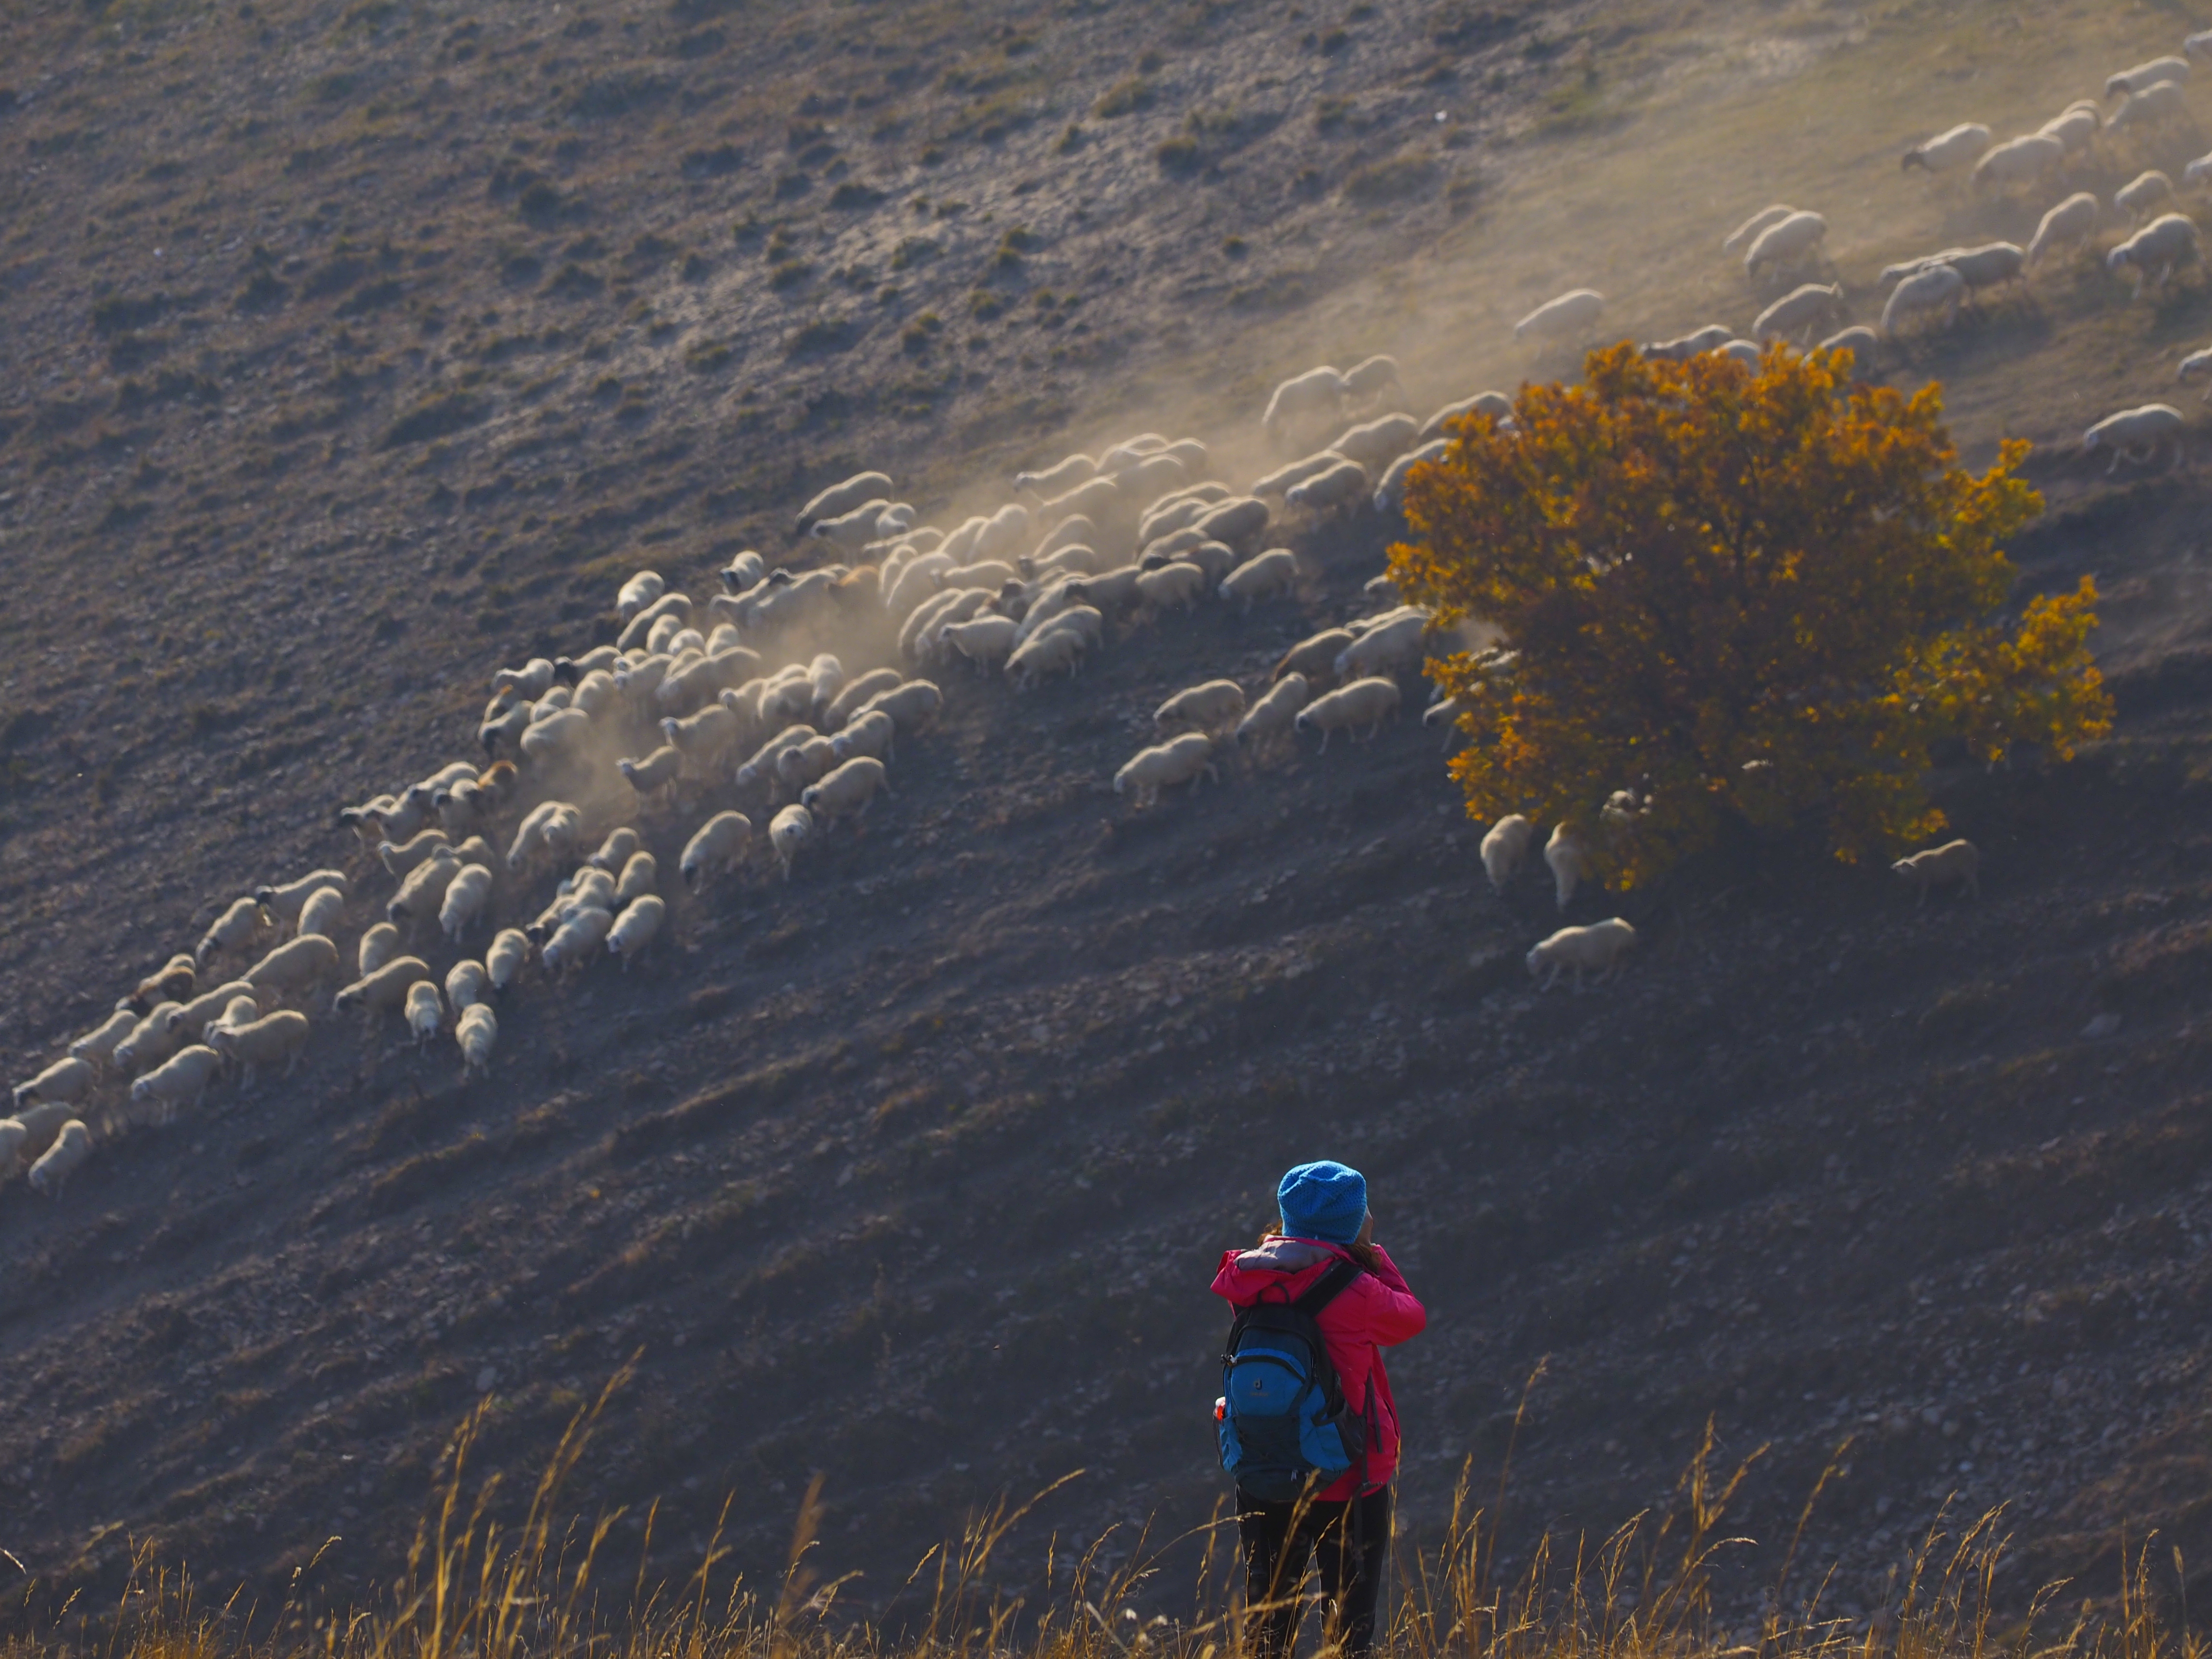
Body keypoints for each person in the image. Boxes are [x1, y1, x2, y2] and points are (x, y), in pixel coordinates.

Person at [1211, 1159, 1427, 1659]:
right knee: (1349, 1631)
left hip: (1264, 1470)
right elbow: (1410, 1316)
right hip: (1348, 1477)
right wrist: (1371, 1253)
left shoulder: (1245, 1277)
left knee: (1269, 1625)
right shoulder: (1358, 1290)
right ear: (1350, 1223)